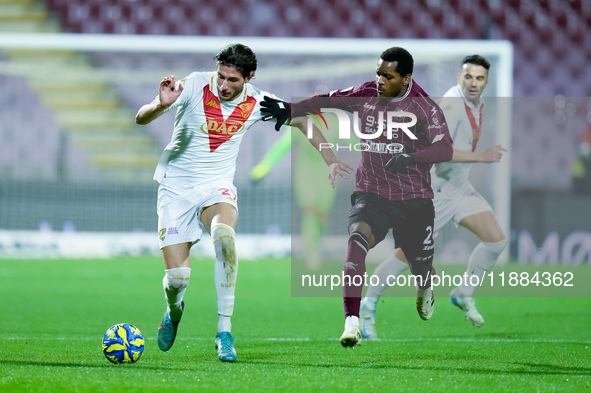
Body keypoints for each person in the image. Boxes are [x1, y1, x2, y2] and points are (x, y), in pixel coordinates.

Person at [261, 47, 454, 347]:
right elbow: (326, 101)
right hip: (372, 193)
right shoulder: (365, 93)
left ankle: (425, 287)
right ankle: (352, 322)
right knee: (357, 240)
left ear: (406, 79)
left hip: (413, 198)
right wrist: (291, 109)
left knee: (420, 265)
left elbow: (445, 149)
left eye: (387, 76)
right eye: (378, 73)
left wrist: (413, 157)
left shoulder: (425, 108)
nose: (379, 80)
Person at [135, 43, 289, 362]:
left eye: (232, 80)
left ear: (249, 77)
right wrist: (161, 106)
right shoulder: (194, 84)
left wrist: (328, 155)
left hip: (216, 187)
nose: (223, 85)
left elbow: (301, 118)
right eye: (221, 76)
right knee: (178, 279)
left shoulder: (258, 101)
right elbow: (141, 118)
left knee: (224, 238)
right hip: (175, 188)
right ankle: (173, 312)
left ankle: (224, 331)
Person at [359, 55, 507, 339]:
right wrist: (482, 157)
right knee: (403, 257)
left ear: (486, 81)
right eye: (468, 77)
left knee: (496, 240)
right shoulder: (452, 106)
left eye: (479, 78)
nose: (473, 83)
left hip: (458, 188)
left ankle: (463, 293)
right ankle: (367, 306)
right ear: (458, 77)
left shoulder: (476, 103)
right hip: (434, 193)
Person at [250, 115, 340, 269]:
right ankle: (312, 253)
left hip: (328, 173)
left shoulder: (335, 123)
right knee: (310, 209)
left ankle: (315, 245)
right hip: (306, 172)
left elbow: (356, 142)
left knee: (322, 215)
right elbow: (282, 146)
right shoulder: (302, 122)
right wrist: (263, 168)